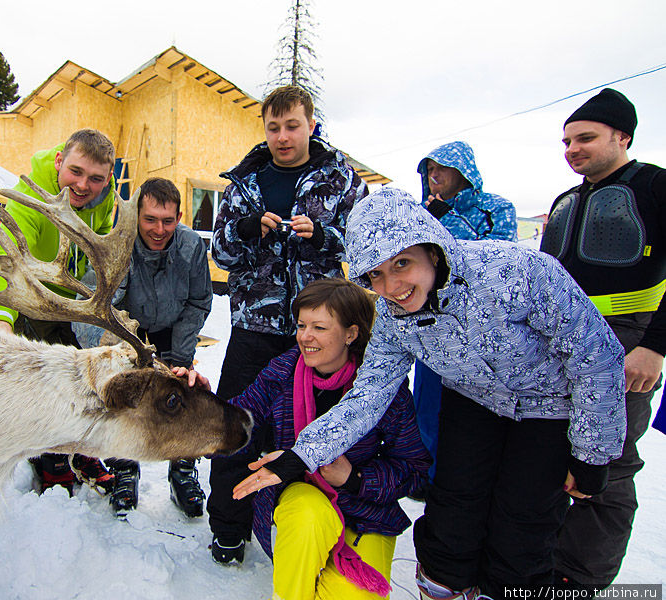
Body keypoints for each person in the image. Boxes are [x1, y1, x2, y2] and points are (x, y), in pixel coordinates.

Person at [233, 187, 627, 598]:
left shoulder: (517, 272)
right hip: (472, 399)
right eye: (376, 274)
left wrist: (592, 454)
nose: (392, 286)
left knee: (522, 522)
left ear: (433, 251)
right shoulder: (391, 317)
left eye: (402, 263)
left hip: (548, 406)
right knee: (453, 514)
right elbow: (368, 395)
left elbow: (596, 356)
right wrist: (302, 455)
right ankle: (445, 588)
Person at [178, 278, 430, 599]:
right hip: (301, 502)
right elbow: (238, 423)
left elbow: (415, 470)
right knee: (307, 515)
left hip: (367, 514)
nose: (305, 337)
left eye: (319, 328)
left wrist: (354, 478)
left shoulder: (381, 388)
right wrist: (199, 403)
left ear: (351, 333)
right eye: (301, 325)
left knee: (354, 596)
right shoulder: (284, 372)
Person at [207, 84, 366, 563]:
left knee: (313, 431)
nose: (282, 136)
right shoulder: (243, 183)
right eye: (273, 127)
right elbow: (220, 252)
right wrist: (244, 228)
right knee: (236, 425)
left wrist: (324, 235)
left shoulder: (341, 179)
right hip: (254, 326)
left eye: (292, 125)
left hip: (320, 334)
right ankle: (229, 526)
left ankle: (310, 533)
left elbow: (362, 250)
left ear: (311, 125)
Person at [539, 88, 666, 591]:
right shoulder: (566, 201)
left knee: (607, 464)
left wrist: (655, 346)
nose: (573, 149)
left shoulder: (654, 185)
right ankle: (539, 559)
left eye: (586, 138)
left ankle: (579, 577)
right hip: (558, 344)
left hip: (626, 342)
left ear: (623, 135)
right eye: (567, 141)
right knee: (550, 451)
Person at [0, 129, 120, 495]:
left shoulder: (104, 196)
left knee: (79, 373)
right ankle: (51, 457)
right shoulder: (30, 201)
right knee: (40, 381)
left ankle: (78, 445)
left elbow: (99, 234)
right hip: (26, 300)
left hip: (62, 302)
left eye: (96, 178)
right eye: (75, 172)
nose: (84, 186)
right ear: (59, 162)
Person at [99, 177, 213, 517]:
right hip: (127, 334)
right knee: (121, 403)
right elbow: (104, 303)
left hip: (173, 331)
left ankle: (181, 471)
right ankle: (124, 469)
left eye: (167, 220)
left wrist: (179, 356)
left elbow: (198, 301)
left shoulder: (191, 246)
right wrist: (123, 350)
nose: (159, 229)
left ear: (179, 217)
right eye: (150, 219)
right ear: (136, 216)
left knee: (184, 398)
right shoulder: (119, 243)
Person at [412, 141, 518, 480]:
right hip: (432, 326)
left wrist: (448, 221)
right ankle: (425, 475)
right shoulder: (422, 212)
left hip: (478, 331)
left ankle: (461, 476)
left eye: (440, 168)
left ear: (464, 172)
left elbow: (497, 260)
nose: (434, 176)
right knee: (427, 405)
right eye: (429, 170)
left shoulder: (496, 208)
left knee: (470, 411)